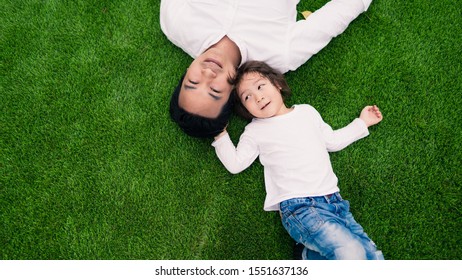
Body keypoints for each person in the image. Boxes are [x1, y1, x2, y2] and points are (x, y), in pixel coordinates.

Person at [212, 61, 384, 260]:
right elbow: (236, 164)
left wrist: (362, 123)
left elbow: (332, 141)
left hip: (336, 203)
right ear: (245, 108)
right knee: (350, 252)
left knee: (373, 257)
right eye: (247, 97)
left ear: (277, 84)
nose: (258, 97)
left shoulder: (307, 112)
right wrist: (219, 134)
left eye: (260, 86)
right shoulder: (255, 130)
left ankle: (308, 256)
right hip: (300, 208)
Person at [160, 0, 374, 138]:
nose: (207, 74)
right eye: (214, 90)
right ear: (232, 92)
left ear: (187, 72)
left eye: (193, 82)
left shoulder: (175, 23)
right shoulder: (279, 54)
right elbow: (333, 19)